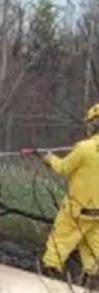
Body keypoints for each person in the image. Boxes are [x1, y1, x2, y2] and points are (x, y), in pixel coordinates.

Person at [36, 103, 99, 279]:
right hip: (97, 212)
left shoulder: (84, 148)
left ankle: (50, 273)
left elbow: (63, 168)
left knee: (60, 241)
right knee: (93, 246)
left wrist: (49, 159)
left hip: (78, 209)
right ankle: (92, 284)